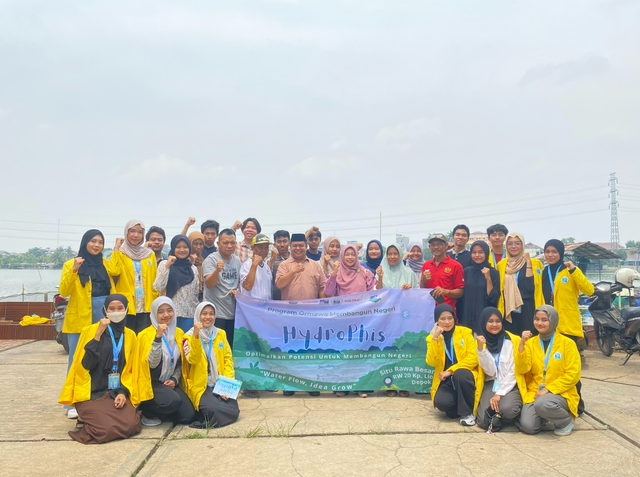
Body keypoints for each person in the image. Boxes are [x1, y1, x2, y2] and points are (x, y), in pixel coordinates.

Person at [59, 294, 141, 444]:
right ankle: (85, 417)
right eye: (112, 308)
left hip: (114, 391)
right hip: (92, 393)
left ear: (127, 309)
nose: (116, 312)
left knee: (132, 425)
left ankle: (100, 417)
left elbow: (130, 371)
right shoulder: (90, 331)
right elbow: (86, 365)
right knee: (106, 430)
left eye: (120, 308)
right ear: (105, 310)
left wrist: (123, 393)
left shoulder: (130, 335)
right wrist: (98, 333)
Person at [58, 230, 115, 419]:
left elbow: (117, 274)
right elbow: (64, 291)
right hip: (81, 316)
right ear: (85, 243)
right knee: (77, 357)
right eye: (93, 241)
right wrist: (74, 270)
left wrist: (117, 248)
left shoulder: (106, 264)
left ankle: (100, 395)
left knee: (103, 354)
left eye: (100, 242)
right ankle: (74, 401)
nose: (97, 245)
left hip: (103, 313)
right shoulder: (71, 264)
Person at [543, 239, 593, 415]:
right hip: (548, 326)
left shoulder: (569, 271)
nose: (550, 255)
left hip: (567, 326)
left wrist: (574, 270)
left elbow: (589, 290)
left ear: (561, 253)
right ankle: (556, 403)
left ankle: (577, 405)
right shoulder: (543, 272)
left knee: (569, 368)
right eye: (547, 251)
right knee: (551, 367)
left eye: (554, 251)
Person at [516, 305, 581, 436]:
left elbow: (573, 375)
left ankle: (565, 420)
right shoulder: (531, 343)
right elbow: (522, 369)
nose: (539, 323)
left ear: (553, 320)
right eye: (537, 319)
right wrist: (522, 344)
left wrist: (548, 389)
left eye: (544, 320)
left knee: (542, 404)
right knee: (528, 427)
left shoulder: (567, 343)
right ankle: (546, 416)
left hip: (560, 393)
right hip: (535, 392)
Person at [275, 233, 326, 397]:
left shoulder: (316, 265)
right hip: (290, 316)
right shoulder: (284, 265)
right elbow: (279, 284)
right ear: (290, 247)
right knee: (291, 351)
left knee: (310, 350)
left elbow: (322, 287)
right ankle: (290, 385)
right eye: (295, 245)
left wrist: (323, 306)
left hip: (311, 316)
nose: (298, 248)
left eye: (301, 245)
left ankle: (311, 383)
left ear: (306, 246)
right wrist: (294, 271)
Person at [137, 297, 196, 426]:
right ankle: (147, 411)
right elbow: (152, 364)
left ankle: (163, 409)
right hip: (152, 383)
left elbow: (180, 363)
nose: (166, 315)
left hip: (169, 382)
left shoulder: (178, 333)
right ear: (154, 313)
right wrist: (157, 338)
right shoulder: (145, 335)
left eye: (169, 310)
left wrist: (175, 380)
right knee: (173, 401)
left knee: (188, 416)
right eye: (161, 312)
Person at [183, 302, 239, 428]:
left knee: (234, 411)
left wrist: (228, 386)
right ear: (198, 315)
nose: (208, 317)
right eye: (204, 314)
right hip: (201, 386)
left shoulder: (220, 334)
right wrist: (196, 336)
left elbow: (227, 360)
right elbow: (193, 359)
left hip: (218, 382)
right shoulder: (187, 337)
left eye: (211, 314)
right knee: (213, 410)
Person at [426, 304, 482, 426]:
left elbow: (474, 358)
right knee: (443, 405)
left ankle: (468, 413)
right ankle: (460, 405)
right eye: (443, 319)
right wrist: (435, 339)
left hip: (464, 376)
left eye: (450, 318)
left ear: (454, 318)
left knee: (460, 373)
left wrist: (451, 371)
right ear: (437, 321)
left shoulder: (465, 332)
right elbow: (431, 362)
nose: (447, 322)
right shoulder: (432, 337)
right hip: (446, 380)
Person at [375, 243, 418, 398]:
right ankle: (388, 384)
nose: (392, 256)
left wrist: (409, 289)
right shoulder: (380, 271)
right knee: (388, 351)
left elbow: (417, 295)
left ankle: (404, 384)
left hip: (404, 319)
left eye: (395, 254)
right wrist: (379, 277)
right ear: (386, 256)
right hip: (386, 320)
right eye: (390, 254)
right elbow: (377, 294)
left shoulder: (409, 272)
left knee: (404, 350)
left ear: (400, 256)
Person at [475, 307, 526, 431]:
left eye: (498, 321)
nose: (494, 325)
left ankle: (507, 415)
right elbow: (491, 371)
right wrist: (481, 350)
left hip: (510, 384)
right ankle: (498, 417)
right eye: (490, 321)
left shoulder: (513, 340)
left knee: (509, 409)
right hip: (491, 383)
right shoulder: (481, 341)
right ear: (484, 322)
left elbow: (514, 371)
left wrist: (499, 394)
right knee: (483, 421)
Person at [107, 220, 158, 334]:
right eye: (132, 231)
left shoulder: (150, 254)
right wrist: (116, 248)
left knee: (144, 339)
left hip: (146, 305)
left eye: (140, 232)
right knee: (127, 339)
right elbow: (114, 271)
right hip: (127, 306)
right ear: (126, 233)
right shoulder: (120, 253)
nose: (136, 235)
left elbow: (155, 279)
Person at [497, 233, 544, 336]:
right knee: (511, 341)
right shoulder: (502, 265)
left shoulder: (535, 263)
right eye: (510, 244)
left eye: (517, 243)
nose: (513, 247)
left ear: (523, 245)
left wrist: (528, 262)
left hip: (528, 309)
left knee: (529, 341)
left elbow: (530, 287)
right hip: (509, 310)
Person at [203, 229, 241, 348]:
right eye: (225, 243)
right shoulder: (211, 259)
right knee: (215, 349)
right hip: (216, 313)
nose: (229, 246)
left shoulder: (237, 260)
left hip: (233, 313)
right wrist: (217, 271)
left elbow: (238, 282)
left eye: (232, 243)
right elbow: (209, 284)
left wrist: (237, 291)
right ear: (218, 244)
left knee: (229, 347)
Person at [153, 235, 200, 333]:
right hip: (168, 314)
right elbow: (158, 287)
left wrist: (195, 314)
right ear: (173, 248)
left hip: (188, 314)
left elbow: (195, 294)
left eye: (185, 247)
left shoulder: (192, 268)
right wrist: (167, 266)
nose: (182, 250)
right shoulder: (164, 264)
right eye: (178, 247)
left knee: (184, 344)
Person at [461, 241, 500, 334]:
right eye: (474, 252)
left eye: (481, 252)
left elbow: (493, 298)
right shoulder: (467, 271)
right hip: (467, 315)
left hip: (484, 316)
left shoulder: (494, 273)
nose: (477, 255)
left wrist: (488, 278)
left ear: (486, 253)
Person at [420, 234, 464, 310]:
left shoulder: (456, 266)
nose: (436, 247)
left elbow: (460, 292)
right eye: (433, 245)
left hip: (447, 312)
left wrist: (446, 292)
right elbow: (422, 289)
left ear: (446, 246)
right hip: (429, 311)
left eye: (439, 244)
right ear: (429, 247)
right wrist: (423, 281)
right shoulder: (426, 265)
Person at [240, 234, 273, 300]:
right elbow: (247, 286)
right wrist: (254, 265)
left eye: (266, 247)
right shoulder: (247, 265)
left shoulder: (266, 266)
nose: (264, 250)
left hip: (265, 306)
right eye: (260, 247)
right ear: (253, 248)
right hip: (251, 306)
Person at [271, 230, 290, 301]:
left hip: (293, 299)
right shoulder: (270, 260)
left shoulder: (295, 259)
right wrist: (271, 260)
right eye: (279, 242)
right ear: (274, 244)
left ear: (289, 243)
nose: (282, 244)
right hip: (276, 301)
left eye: (285, 241)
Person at [187, 230, 206, 299]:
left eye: (201, 244)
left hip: (200, 297)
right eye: (195, 244)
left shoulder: (202, 260)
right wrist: (192, 262)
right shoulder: (184, 260)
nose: (198, 247)